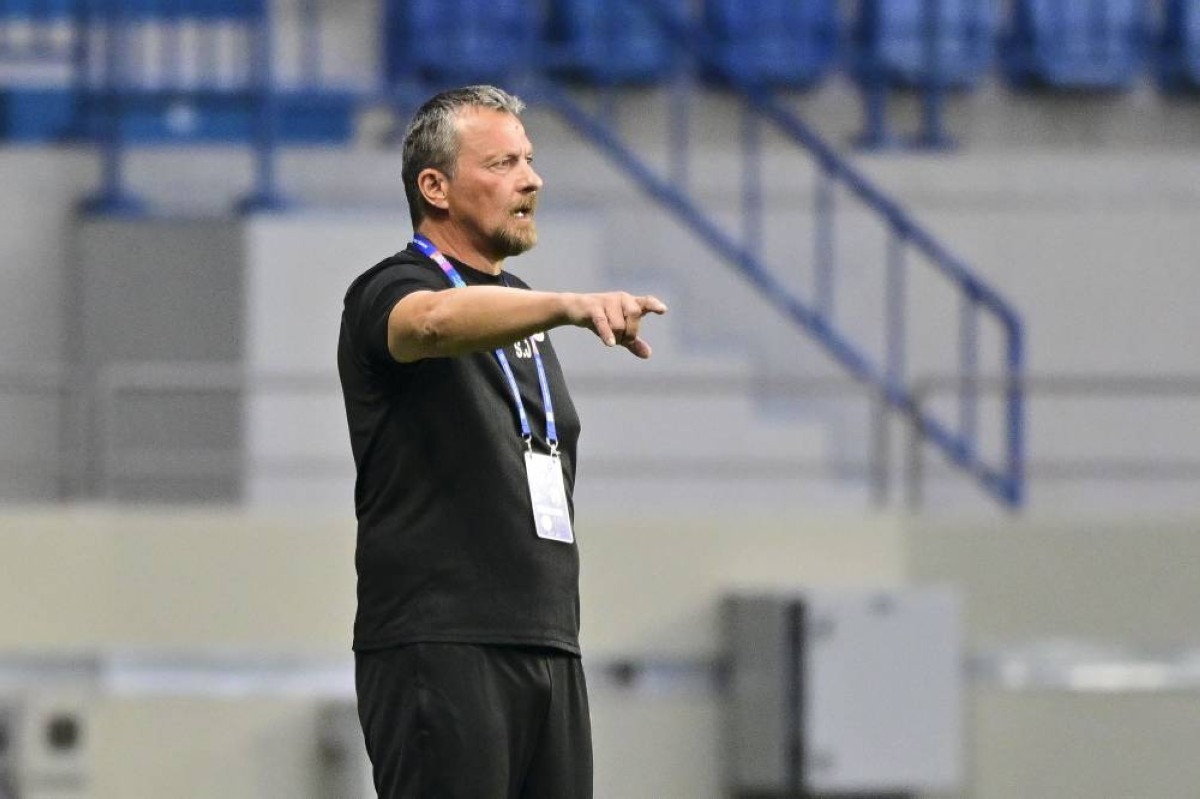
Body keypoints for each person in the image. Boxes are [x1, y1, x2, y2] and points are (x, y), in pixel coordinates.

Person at [337, 84, 667, 798]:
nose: (532, 179)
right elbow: (430, 322)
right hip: (443, 641)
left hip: (548, 642)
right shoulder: (389, 287)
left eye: (530, 160)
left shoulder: (521, 312)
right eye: (503, 163)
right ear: (435, 187)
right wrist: (569, 303)